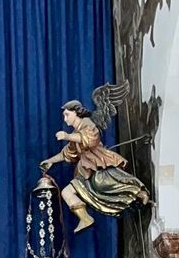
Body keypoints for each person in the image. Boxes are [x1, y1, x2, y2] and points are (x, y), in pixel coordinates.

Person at [39, 99, 150, 232]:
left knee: (106, 182)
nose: (65, 118)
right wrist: (50, 161)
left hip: (98, 163)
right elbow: (67, 154)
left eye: (67, 114)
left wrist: (67, 136)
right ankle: (85, 218)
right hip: (85, 170)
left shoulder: (87, 123)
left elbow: (90, 139)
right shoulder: (75, 133)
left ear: (76, 113)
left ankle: (139, 192)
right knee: (67, 192)